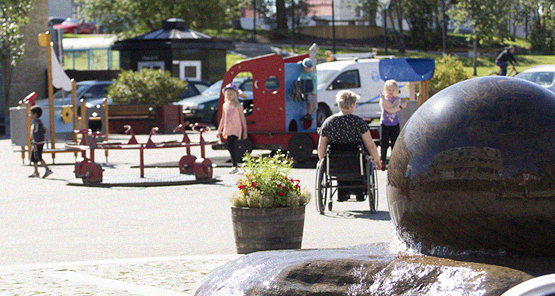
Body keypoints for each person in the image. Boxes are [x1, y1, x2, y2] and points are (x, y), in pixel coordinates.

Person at [318, 90, 382, 201]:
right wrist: (377, 160)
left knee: (340, 162)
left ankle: (342, 193)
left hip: (336, 162)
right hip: (356, 162)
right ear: (352, 105)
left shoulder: (329, 122)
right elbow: (370, 144)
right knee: (361, 158)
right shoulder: (358, 122)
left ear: (339, 104)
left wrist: (322, 161)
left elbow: (321, 145)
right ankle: (359, 192)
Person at [217, 83, 248, 174]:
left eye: (231, 94)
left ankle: (235, 165)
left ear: (235, 95)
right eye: (228, 94)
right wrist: (219, 130)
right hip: (228, 128)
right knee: (230, 146)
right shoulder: (225, 105)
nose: (229, 96)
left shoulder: (238, 105)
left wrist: (245, 131)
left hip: (235, 128)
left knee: (231, 146)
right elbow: (223, 118)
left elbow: (242, 118)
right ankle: (235, 165)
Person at [379, 79, 407, 171]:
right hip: (385, 124)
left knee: (395, 143)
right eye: (389, 90)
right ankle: (382, 160)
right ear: (385, 90)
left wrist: (397, 107)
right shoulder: (382, 100)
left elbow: (391, 107)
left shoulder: (397, 99)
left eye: (392, 90)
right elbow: (388, 108)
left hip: (394, 124)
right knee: (384, 143)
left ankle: (395, 161)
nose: (391, 92)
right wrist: (400, 108)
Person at [28, 106, 53, 178]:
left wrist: (34, 144)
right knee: (33, 157)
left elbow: (36, 134)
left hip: (38, 143)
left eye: (30, 113)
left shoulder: (36, 123)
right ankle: (36, 172)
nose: (29, 115)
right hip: (36, 142)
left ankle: (47, 170)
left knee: (39, 157)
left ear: (35, 114)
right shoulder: (35, 122)